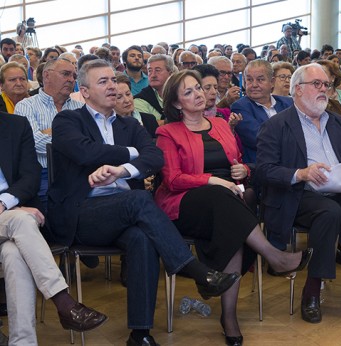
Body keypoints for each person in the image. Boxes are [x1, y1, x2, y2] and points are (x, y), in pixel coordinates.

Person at [47, 60, 240, 345]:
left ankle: (140, 334)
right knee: (138, 199)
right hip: (83, 214)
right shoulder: (67, 121)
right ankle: (193, 269)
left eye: (114, 80)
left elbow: (154, 158)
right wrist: (130, 153)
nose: (112, 86)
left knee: (142, 237)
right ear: (84, 92)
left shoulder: (130, 123)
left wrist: (122, 170)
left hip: (127, 214)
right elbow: (86, 153)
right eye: (103, 82)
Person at [155, 70, 311, 345]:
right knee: (223, 199)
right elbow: (172, 179)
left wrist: (242, 171)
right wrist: (214, 180)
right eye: (188, 92)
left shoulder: (221, 124)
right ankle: (273, 255)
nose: (198, 94)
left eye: (198, 88)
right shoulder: (167, 132)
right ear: (177, 103)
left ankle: (229, 317)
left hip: (228, 201)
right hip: (185, 203)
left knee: (235, 221)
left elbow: (237, 163)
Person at [256, 63, 341, 323]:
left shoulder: (337, 122)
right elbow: (263, 171)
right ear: (297, 90)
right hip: (299, 194)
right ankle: (312, 291)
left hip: (339, 189)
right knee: (329, 212)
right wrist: (301, 173)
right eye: (316, 84)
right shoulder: (277, 125)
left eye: (326, 85)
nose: (323, 90)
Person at [0, 112, 107, 344]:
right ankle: (64, 302)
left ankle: (23, 342)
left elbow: (31, 176)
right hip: (15, 216)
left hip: (10, 212)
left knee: (13, 252)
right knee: (22, 221)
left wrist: (8, 203)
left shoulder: (16, 125)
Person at [15, 57, 84, 207]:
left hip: (79, 171)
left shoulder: (80, 108)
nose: (71, 80)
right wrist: (76, 141)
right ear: (46, 75)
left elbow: (91, 142)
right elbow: (34, 143)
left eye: (74, 76)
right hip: (44, 173)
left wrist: (50, 132)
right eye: (65, 74)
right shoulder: (26, 106)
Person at [231, 60, 293, 164]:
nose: (254, 85)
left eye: (260, 80)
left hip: (293, 163)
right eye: (249, 80)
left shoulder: (288, 103)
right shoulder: (240, 107)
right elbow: (260, 139)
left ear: (272, 82)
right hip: (263, 167)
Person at [114, 74, 158, 138]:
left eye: (128, 94)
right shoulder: (109, 127)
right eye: (119, 97)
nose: (127, 100)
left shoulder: (149, 120)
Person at [134, 54, 176, 121]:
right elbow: (146, 127)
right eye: (150, 70)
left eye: (157, 70)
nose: (153, 75)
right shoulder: (140, 99)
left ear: (170, 74)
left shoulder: (179, 94)